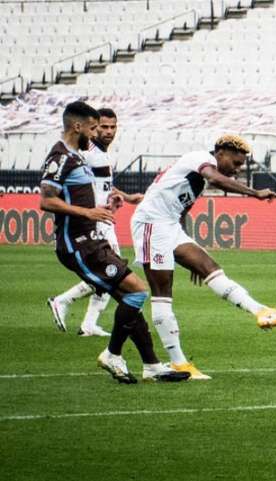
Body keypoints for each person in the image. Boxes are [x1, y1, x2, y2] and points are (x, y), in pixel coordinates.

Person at [130, 135, 276, 380]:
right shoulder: (200, 159)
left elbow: (181, 211)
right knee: (163, 291)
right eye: (236, 162)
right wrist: (254, 193)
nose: (237, 169)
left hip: (169, 227)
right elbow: (215, 178)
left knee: (209, 266)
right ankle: (179, 363)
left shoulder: (198, 180)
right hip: (150, 224)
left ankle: (261, 311)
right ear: (220, 153)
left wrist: (186, 251)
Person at [39, 101, 189, 383]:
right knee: (136, 292)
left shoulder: (77, 156)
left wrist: (109, 200)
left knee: (129, 300)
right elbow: (46, 200)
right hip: (78, 244)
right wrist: (88, 212)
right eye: (94, 128)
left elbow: (81, 193)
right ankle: (112, 354)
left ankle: (152, 366)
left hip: (92, 239)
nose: (96, 134)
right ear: (77, 126)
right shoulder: (61, 158)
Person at [47, 108, 143, 337]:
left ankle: (89, 324)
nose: (109, 131)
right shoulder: (87, 152)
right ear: (94, 127)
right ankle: (62, 300)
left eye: (113, 127)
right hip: (93, 221)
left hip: (104, 217)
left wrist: (126, 197)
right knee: (114, 272)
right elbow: (78, 184)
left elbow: (101, 185)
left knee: (112, 272)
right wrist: (89, 210)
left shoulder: (102, 153)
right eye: (104, 127)